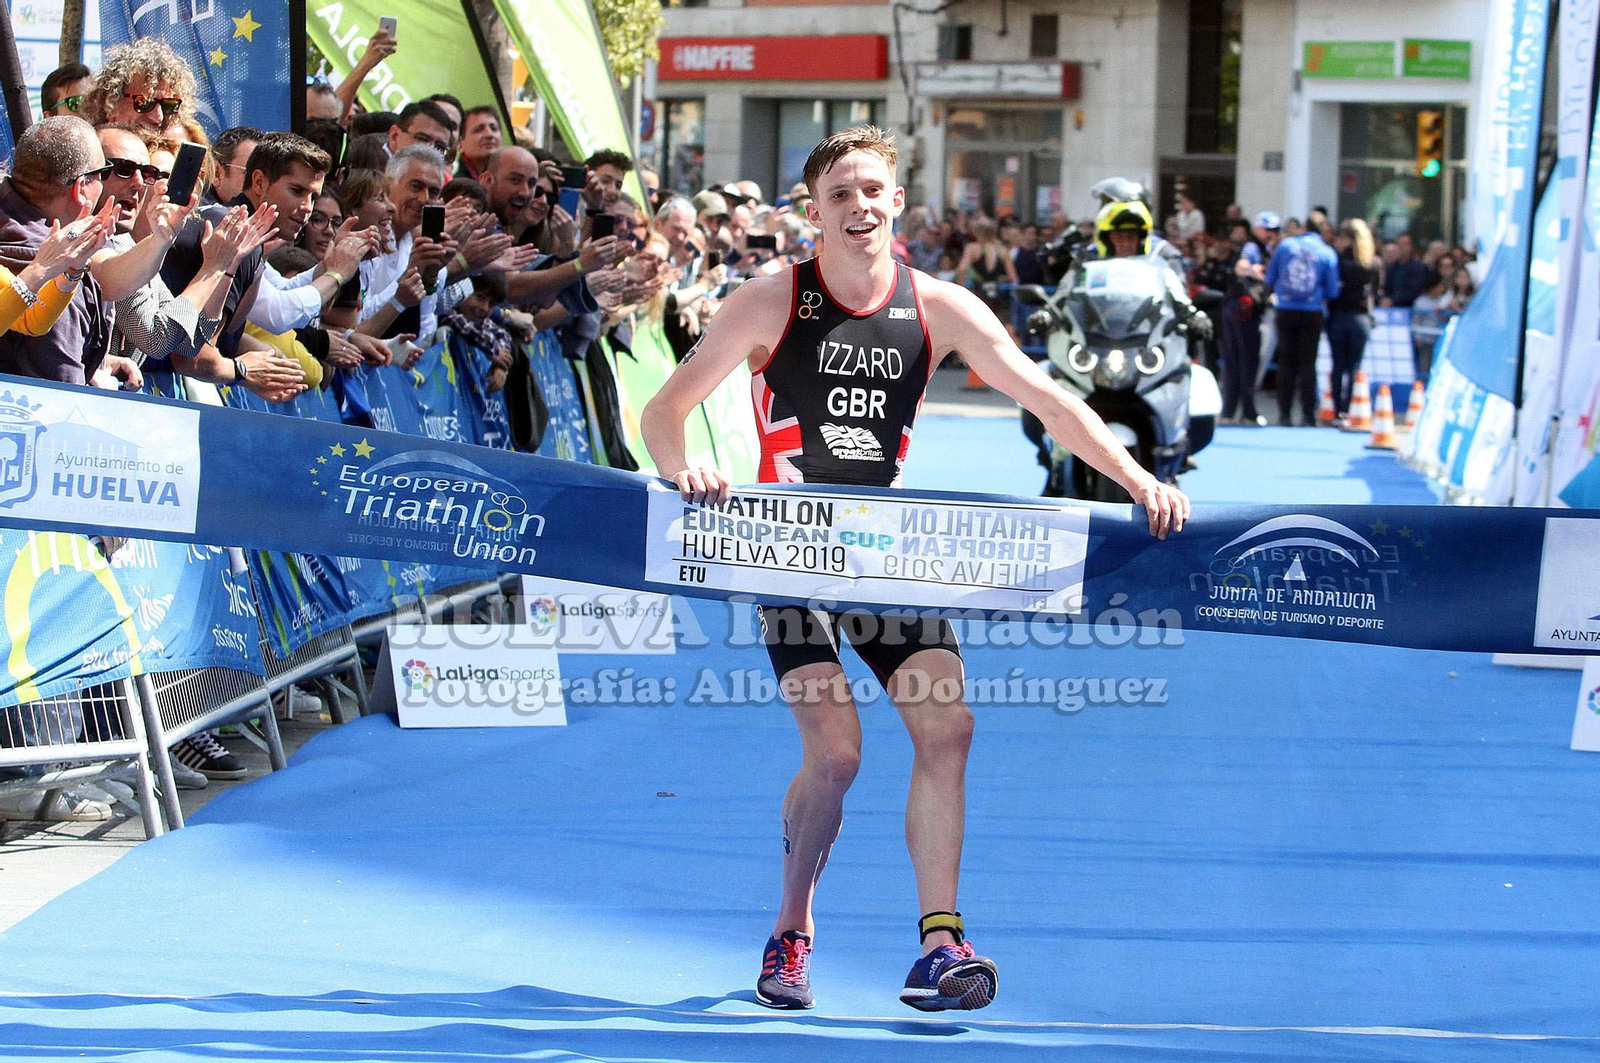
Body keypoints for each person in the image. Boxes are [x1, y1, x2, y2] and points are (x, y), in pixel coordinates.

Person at [639, 125, 1189, 1014]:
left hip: (889, 554)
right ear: (812, 212)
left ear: (897, 202)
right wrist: (682, 467)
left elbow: (1047, 397)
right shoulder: (773, 299)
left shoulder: (939, 305)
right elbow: (665, 412)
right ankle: (791, 927)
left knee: (950, 728)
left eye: (872, 191)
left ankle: (941, 942)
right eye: (840, 194)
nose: (859, 207)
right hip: (792, 551)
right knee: (839, 755)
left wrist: (1136, 477)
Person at [1264, 211, 1340, 426]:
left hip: (1286, 308)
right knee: (1308, 364)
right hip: (1312, 310)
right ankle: (1308, 415)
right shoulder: (1326, 252)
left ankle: (1284, 414)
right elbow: (1333, 291)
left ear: (1305, 227)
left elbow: (1270, 277)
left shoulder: (1286, 246)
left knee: (1286, 362)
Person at [1325, 219, 1381, 421]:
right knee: (1355, 366)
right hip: (1361, 317)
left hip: (1339, 316)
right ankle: (1350, 407)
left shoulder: (1337, 262)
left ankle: (1338, 409)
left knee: (1338, 365)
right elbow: (1376, 293)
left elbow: (1330, 291)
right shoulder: (1372, 263)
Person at [81, 38, 195, 136]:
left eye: (168, 105)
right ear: (111, 103)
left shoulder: (178, 159)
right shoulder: (89, 157)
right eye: (144, 102)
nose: (158, 117)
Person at [1381, 233, 1427, 308]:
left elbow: (1415, 290)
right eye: (1400, 244)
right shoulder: (1392, 267)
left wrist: (1393, 300)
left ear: (1410, 246)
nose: (1402, 247)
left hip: (1410, 307)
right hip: (1391, 308)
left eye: (1405, 244)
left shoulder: (1417, 267)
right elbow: (1386, 287)